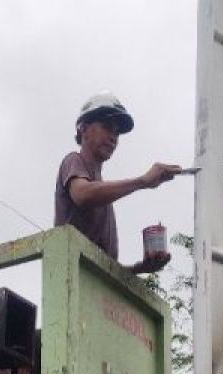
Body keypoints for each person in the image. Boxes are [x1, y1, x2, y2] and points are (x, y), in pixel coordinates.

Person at [54, 92, 186, 274]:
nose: (113, 137)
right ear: (83, 128)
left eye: (117, 132)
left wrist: (139, 268)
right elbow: (82, 194)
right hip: (72, 284)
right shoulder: (73, 161)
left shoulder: (102, 192)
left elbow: (104, 267)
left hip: (91, 289)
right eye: (107, 127)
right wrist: (142, 181)